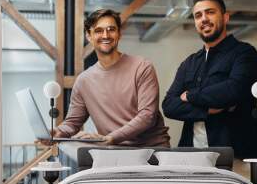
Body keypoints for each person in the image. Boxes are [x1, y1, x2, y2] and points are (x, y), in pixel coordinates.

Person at [162, 0, 257, 158]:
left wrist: (190, 95)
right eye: (198, 15)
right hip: (190, 154)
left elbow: (234, 91)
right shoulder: (189, 63)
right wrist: (209, 109)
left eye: (210, 12)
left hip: (234, 154)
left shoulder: (244, 53)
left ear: (225, 17)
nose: (204, 19)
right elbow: (169, 105)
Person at [53, 9, 170, 147]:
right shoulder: (83, 81)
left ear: (119, 33)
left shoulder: (142, 67)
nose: (105, 35)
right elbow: (72, 122)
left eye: (111, 29)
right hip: (114, 149)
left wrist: (110, 138)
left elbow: (147, 116)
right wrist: (58, 132)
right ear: (88, 36)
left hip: (152, 150)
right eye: (98, 30)